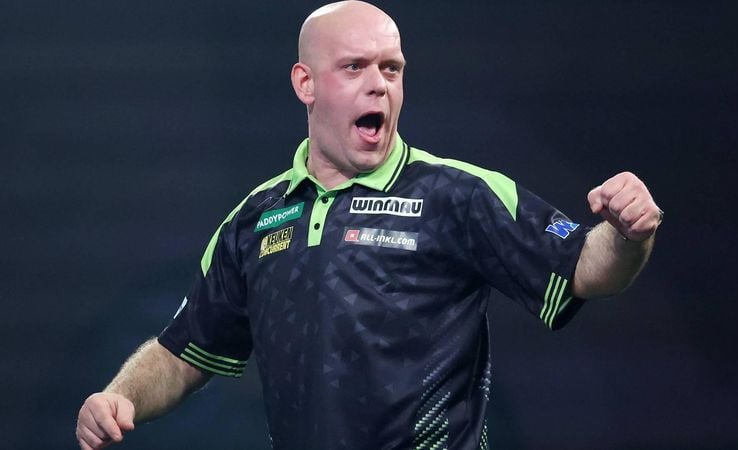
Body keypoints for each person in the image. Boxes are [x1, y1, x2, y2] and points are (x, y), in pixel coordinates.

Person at [76, 1, 663, 449]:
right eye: (354, 66)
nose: (378, 83)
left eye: (391, 68)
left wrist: (627, 235)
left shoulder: (456, 195)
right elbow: (182, 354)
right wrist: (118, 397)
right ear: (305, 84)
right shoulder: (255, 218)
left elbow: (585, 268)